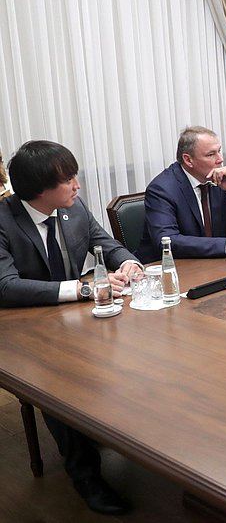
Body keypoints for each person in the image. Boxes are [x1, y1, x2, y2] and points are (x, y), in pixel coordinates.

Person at [0, 140, 141, 515]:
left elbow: (106, 244)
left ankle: (128, 432)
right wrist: (83, 288)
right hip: (21, 325)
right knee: (55, 380)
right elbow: (5, 287)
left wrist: (128, 263)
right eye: (68, 180)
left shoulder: (72, 207)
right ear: (38, 191)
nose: (77, 185)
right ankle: (85, 474)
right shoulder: (3, 219)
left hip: (73, 316)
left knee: (142, 348)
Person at [135, 126, 226, 263]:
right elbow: (166, 241)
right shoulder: (162, 189)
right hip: (168, 268)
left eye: (219, 151)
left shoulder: (219, 180)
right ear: (188, 160)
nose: (220, 159)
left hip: (214, 265)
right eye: (211, 154)